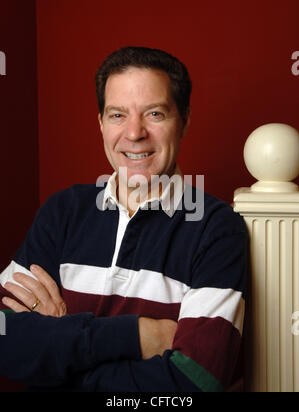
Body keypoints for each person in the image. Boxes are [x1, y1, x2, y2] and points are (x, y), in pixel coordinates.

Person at [0, 46, 248, 392]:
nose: (134, 133)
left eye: (155, 114)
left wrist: (60, 340)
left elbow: (195, 382)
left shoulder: (217, 228)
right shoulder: (63, 211)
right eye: (118, 115)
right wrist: (137, 335)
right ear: (100, 122)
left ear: (185, 120)